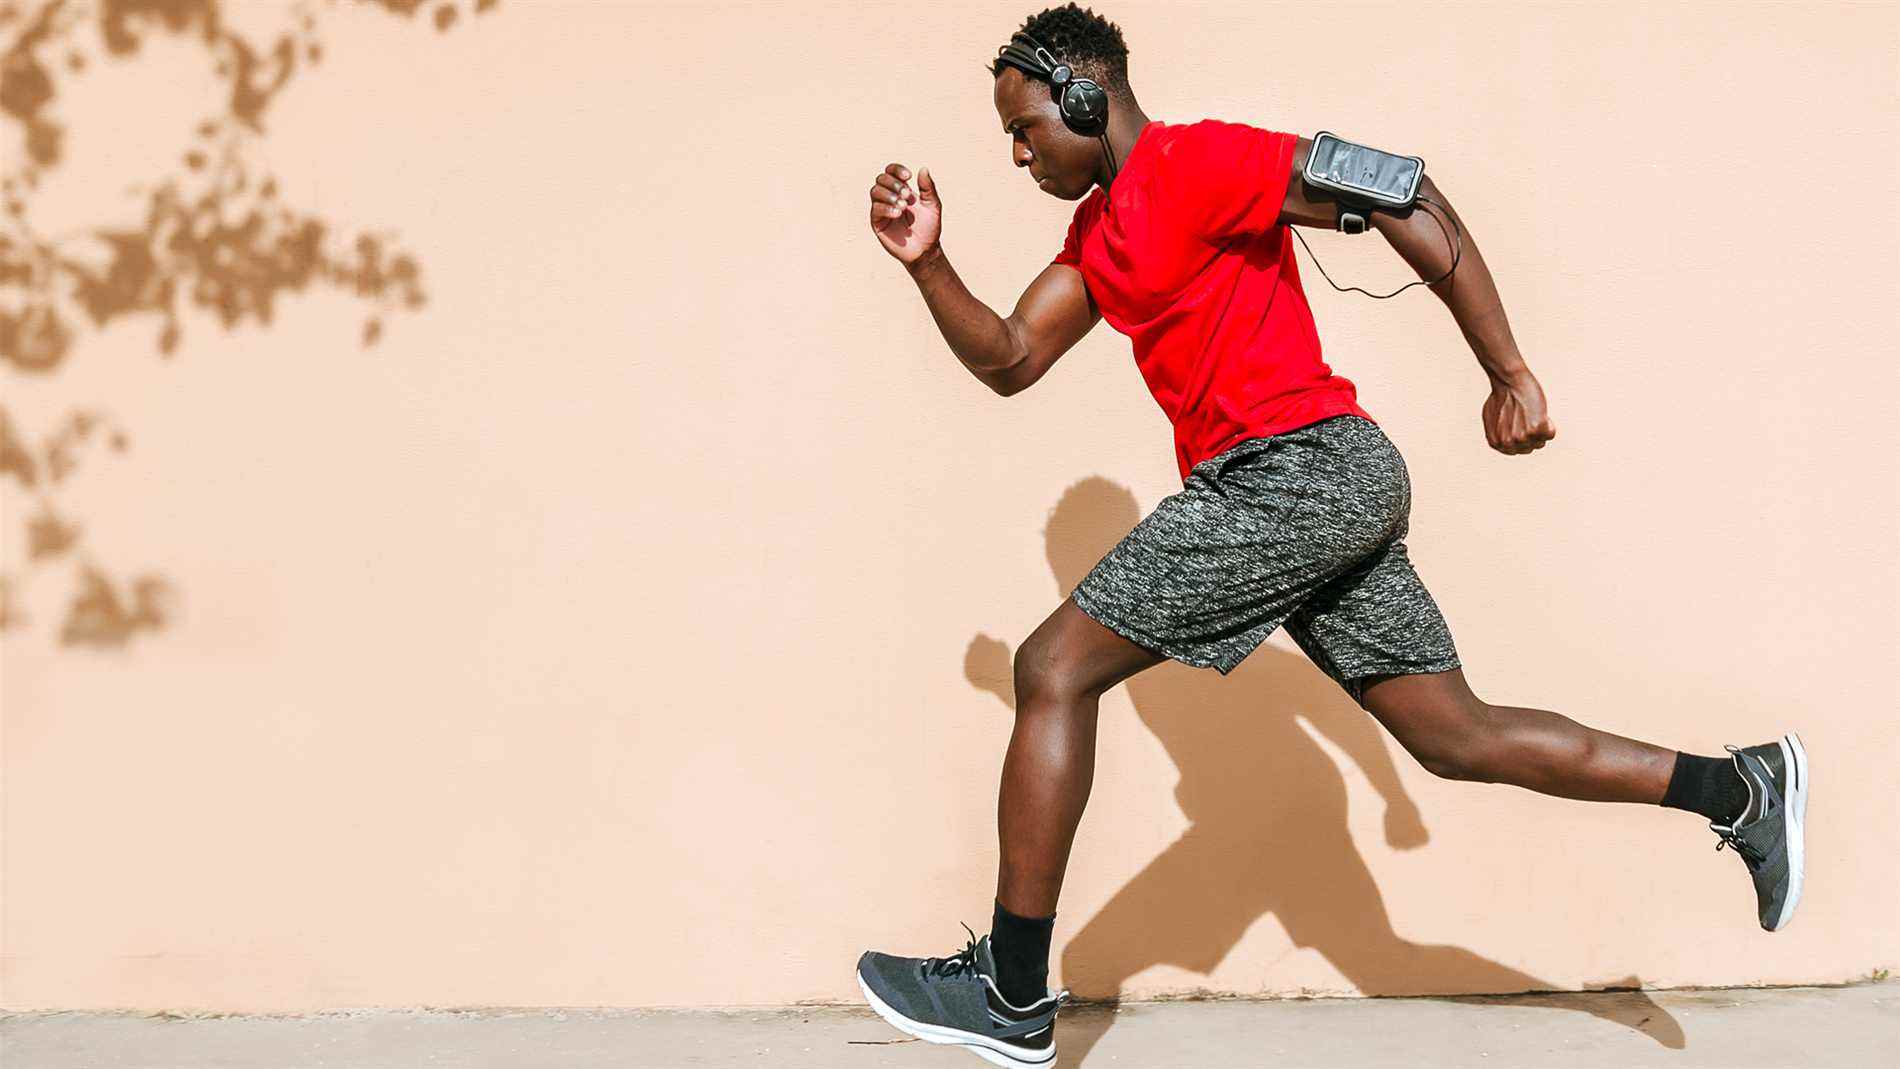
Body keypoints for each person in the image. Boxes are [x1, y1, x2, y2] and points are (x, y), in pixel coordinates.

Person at [855, 6, 1807, 1066]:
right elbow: (1010, 356)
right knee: (1456, 736)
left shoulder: (1201, 159)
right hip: (1313, 488)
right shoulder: (1097, 237)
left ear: (1086, 96)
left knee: (1051, 668)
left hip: (1294, 470)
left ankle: (1010, 990)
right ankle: (1743, 786)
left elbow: (1400, 187)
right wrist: (924, 262)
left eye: (1026, 128)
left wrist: (1508, 372)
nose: (1019, 154)